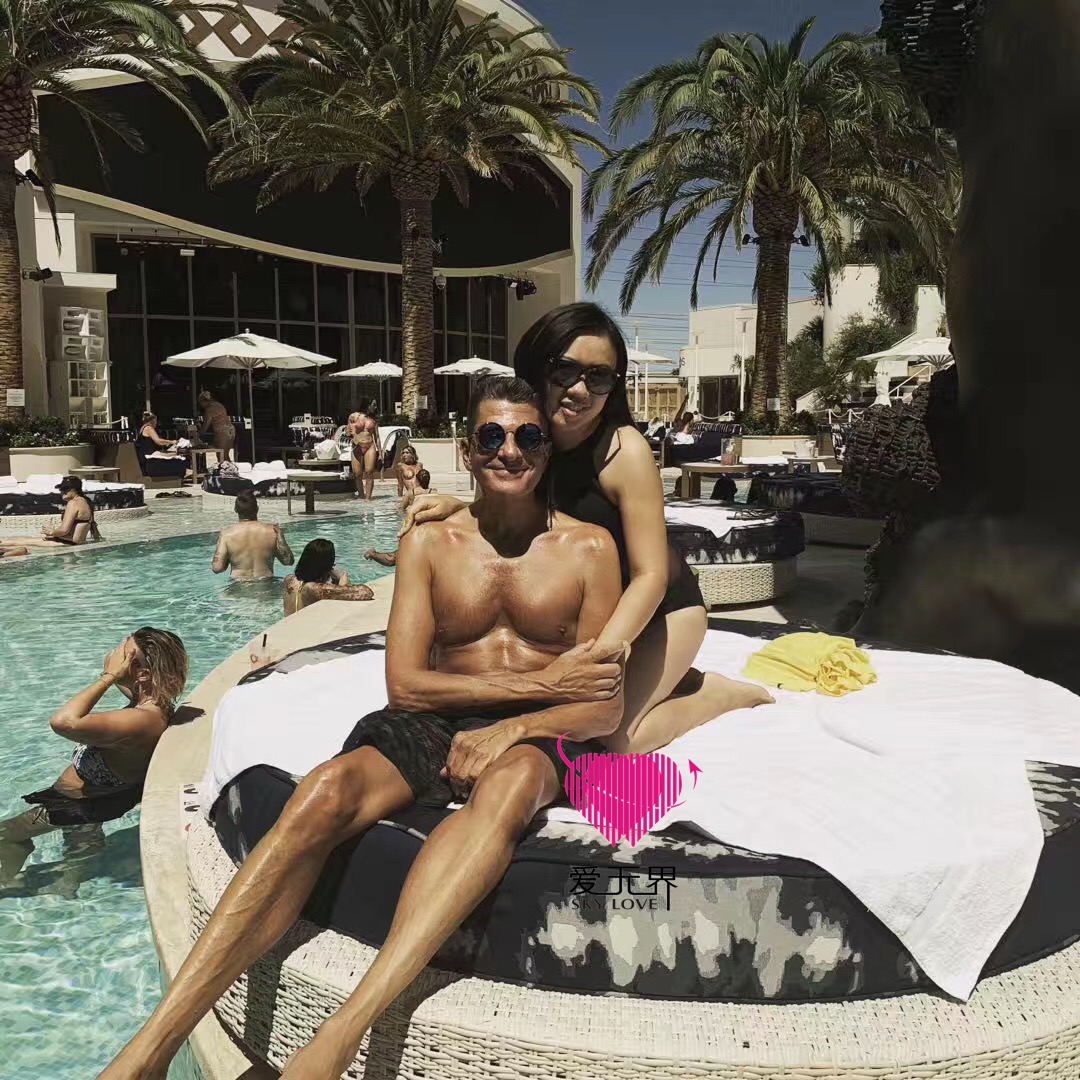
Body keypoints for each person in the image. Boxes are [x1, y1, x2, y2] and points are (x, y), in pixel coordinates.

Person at [99, 376, 638, 1078]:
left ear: (546, 450)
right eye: (492, 435)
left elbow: (602, 707)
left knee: (509, 792)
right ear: (467, 451)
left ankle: (339, 1035)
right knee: (323, 792)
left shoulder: (591, 549)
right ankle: (150, 1048)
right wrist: (542, 682)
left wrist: (514, 725)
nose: (510, 450)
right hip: (436, 715)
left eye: (528, 436)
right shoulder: (431, 542)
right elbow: (405, 685)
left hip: (538, 729)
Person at [402, 302, 772, 754]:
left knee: (611, 738)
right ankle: (665, 680)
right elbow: (524, 511)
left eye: (598, 377)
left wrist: (595, 659)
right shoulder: (526, 436)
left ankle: (713, 693)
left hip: (661, 615)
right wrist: (461, 506)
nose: (579, 390)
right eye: (565, 371)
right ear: (540, 367)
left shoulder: (624, 451)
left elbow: (651, 576)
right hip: (599, 615)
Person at [0, 628, 188, 884]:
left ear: (143, 674)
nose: (114, 656)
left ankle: (11, 884)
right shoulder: (154, 706)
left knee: (5, 834)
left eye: (123, 654)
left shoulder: (140, 721)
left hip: (76, 806)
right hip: (96, 802)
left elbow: (63, 721)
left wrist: (109, 676)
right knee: (74, 862)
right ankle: (63, 882)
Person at [1, 475, 102, 549]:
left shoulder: (73, 503)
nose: (62, 491)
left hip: (66, 543)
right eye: (61, 489)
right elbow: (92, 525)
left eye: (65, 489)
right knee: (23, 539)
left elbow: (64, 531)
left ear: (75, 489)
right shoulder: (85, 501)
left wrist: (51, 532)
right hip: (71, 542)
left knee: (17, 542)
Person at [211, 494, 294, 581]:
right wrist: (281, 539)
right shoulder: (273, 531)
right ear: (257, 508)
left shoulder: (226, 535)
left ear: (236, 509)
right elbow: (288, 562)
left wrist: (229, 557)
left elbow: (217, 568)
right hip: (266, 584)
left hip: (239, 585)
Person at [282, 539, 374, 615]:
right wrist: (343, 580)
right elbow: (366, 592)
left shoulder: (289, 580)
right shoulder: (313, 589)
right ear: (327, 566)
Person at [136, 412, 188, 481]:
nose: (156, 423)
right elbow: (158, 441)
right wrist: (172, 442)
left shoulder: (142, 427)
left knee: (171, 454)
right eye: (156, 421)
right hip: (148, 459)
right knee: (177, 458)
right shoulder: (149, 428)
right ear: (152, 420)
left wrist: (166, 444)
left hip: (146, 457)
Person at [348, 410, 381, 500]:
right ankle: (361, 495)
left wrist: (380, 452)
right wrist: (352, 430)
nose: (374, 406)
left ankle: (368, 497)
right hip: (357, 446)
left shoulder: (373, 420)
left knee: (369, 472)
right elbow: (348, 433)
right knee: (357, 474)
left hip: (370, 446)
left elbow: (377, 437)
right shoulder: (354, 416)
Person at [198, 390, 236, 463]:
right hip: (230, 430)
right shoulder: (219, 405)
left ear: (204, 401)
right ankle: (229, 468)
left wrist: (198, 434)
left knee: (221, 456)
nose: (201, 406)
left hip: (222, 432)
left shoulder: (209, 409)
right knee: (226, 455)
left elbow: (205, 426)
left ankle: (227, 469)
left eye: (201, 403)